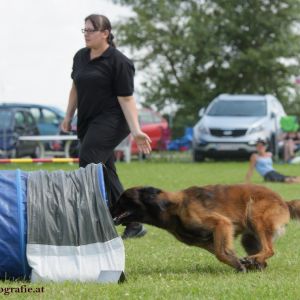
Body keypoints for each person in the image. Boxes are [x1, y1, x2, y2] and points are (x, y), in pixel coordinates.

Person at [61, 14, 152, 239]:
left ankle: (89, 217)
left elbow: (127, 99)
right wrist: (68, 115)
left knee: (88, 158)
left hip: (113, 120)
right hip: (88, 120)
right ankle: (133, 219)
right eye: (84, 30)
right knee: (104, 168)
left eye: (91, 30)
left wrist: (136, 130)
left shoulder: (119, 62)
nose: (86, 35)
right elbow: (76, 87)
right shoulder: (81, 57)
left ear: (105, 33)